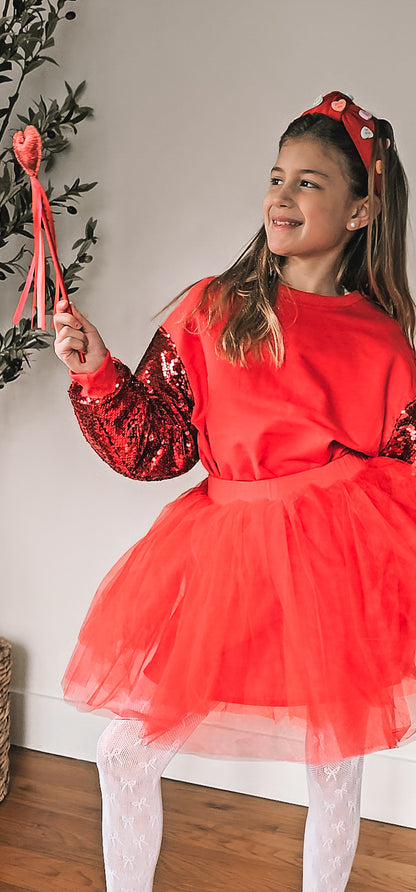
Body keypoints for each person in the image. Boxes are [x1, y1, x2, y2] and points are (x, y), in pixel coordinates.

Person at [54, 91, 416, 892]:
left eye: (310, 183)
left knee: (336, 764)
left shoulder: (383, 341)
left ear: (360, 212)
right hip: (227, 555)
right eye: (277, 175)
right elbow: (160, 443)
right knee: (125, 748)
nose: (281, 196)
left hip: (334, 564)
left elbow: (404, 462)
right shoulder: (219, 307)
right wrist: (98, 373)